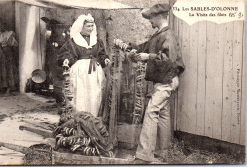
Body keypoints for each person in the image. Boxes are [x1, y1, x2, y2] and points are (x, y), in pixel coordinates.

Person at [116, 3, 185, 163]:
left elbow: (168, 60)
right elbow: (143, 48)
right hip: (160, 82)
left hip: (166, 81)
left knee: (151, 111)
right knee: (163, 114)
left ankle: (144, 155)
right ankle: (164, 153)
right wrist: (128, 47)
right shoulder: (158, 35)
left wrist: (148, 57)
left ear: (159, 17)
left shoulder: (169, 36)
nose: (149, 22)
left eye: (151, 18)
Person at [57, 14, 111, 117]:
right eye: (88, 26)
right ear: (81, 26)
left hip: (95, 71)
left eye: (92, 26)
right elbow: (66, 53)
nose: (90, 29)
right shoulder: (73, 41)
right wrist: (66, 60)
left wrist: (105, 59)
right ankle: (80, 117)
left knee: (95, 93)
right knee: (81, 93)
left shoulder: (97, 41)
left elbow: (101, 54)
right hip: (80, 72)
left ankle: (93, 117)